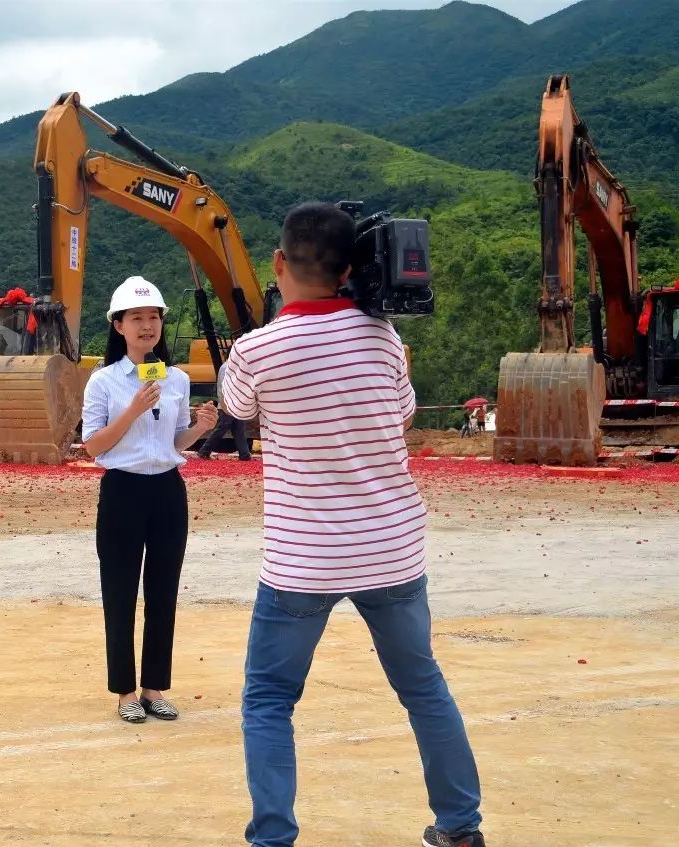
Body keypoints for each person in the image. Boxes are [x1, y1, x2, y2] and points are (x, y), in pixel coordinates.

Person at [222, 203, 484, 847]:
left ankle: (274, 837)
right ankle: (460, 826)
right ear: (348, 270)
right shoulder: (386, 339)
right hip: (391, 549)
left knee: (268, 700)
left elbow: (237, 408)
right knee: (423, 689)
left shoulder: (258, 350)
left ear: (280, 263)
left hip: (301, 561)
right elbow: (399, 416)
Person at [81, 275, 218, 723]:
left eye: (154, 317)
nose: (147, 326)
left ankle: (153, 687)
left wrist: (199, 428)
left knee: (164, 592)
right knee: (119, 592)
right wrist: (134, 409)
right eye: (136, 318)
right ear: (117, 325)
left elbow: (176, 442)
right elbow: (94, 446)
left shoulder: (175, 378)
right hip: (122, 489)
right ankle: (123, 692)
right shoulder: (103, 381)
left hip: (167, 491)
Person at [197, 359, 253, 460]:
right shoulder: (226, 367)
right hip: (227, 404)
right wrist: (224, 405)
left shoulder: (235, 367)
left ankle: (245, 455)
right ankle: (204, 451)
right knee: (221, 429)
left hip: (236, 404)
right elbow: (222, 389)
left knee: (239, 429)